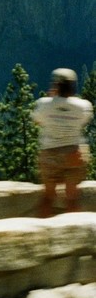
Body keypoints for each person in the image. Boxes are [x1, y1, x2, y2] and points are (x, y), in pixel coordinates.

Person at [31, 68, 93, 217]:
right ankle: (74, 231)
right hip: (73, 154)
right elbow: (84, 121)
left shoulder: (43, 105)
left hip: (49, 155)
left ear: (56, 85)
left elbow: (37, 121)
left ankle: (44, 231)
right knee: (71, 197)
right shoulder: (83, 106)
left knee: (48, 196)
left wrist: (53, 100)